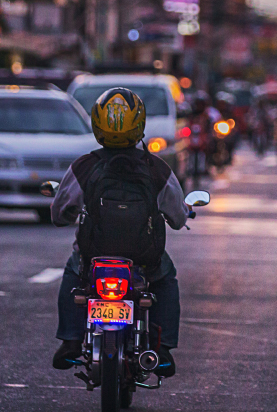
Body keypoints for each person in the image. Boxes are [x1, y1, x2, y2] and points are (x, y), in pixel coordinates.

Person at [50, 87, 188, 378]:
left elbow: (60, 214)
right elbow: (177, 217)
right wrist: (183, 214)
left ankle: (71, 340)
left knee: (72, 273)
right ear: (139, 124)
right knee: (166, 279)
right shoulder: (156, 168)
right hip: (144, 261)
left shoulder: (85, 166)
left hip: (93, 258)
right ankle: (162, 351)